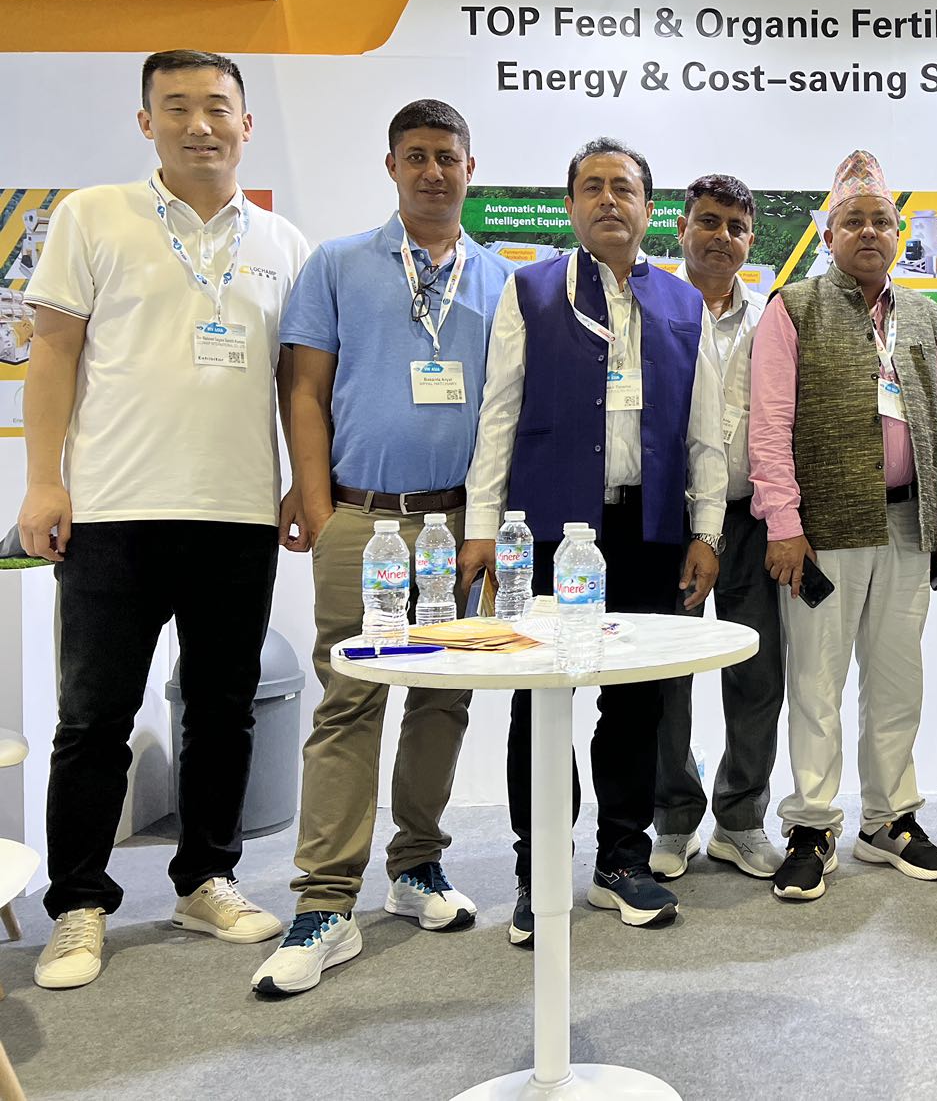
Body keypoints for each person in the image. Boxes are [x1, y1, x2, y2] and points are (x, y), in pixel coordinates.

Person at [18, 50, 308, 989]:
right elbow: (52, 353)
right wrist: (43, 482)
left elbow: (298, 384)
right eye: (176, 107)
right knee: (93, 718)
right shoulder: (93, 216)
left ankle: (205, 878)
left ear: (247, 124)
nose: (199, 125)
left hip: (236, 513)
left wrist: (303, 482)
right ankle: (78, 904)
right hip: (113, 512)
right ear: (146, 122)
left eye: (217, 107)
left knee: (223, 712)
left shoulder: (282, 242)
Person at [250, 100, 515, 996]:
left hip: (457, 529)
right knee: (350, 702)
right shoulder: (336, 265)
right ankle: (325, 902)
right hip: (361, 522)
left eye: (448, 157)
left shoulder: (501, 280)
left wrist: (484, 525)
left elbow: (505, 414)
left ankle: (417, 868)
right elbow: (304, 391)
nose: (433, 172)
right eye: (417, 156)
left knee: (443, 702)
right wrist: (320, 507)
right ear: (392, 166)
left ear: (471, 169)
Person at [462, 137, 727, 937]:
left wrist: (707, 530)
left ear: (650, 209)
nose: (609, 199)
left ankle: (621, 862)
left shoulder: (683, 303)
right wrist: (482, 529)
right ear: (571, 205)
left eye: (624, 187)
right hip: (550, 530)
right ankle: (538, 870)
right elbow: (499, 413)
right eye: (593, 187)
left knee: (637, 703)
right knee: (541, 700)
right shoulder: (531, 291)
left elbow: (705, 432)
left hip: (648, 529)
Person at [749, 148, 937, 902]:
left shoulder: (924, 315)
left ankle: (890, 820)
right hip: (824, 534)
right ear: (828, 233)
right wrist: (784, 524)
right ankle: (811, 826)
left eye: (881, 220)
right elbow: (770, 427)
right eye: (854, 221)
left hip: (910, 528)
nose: (869, 232)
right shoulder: (794, 308)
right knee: (816, 683)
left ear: (898, 233)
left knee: (897, 680)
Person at [650, 174, 785, 882]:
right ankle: (674, 819)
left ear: (750, 239)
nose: (721, 237)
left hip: (754, 518)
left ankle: (739, 819)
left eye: (736, 226)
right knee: (666, 676)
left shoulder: (772, 319)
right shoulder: (650, 307)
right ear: (681, 227)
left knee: (758, 673)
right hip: (669, 521)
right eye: (708, 221)